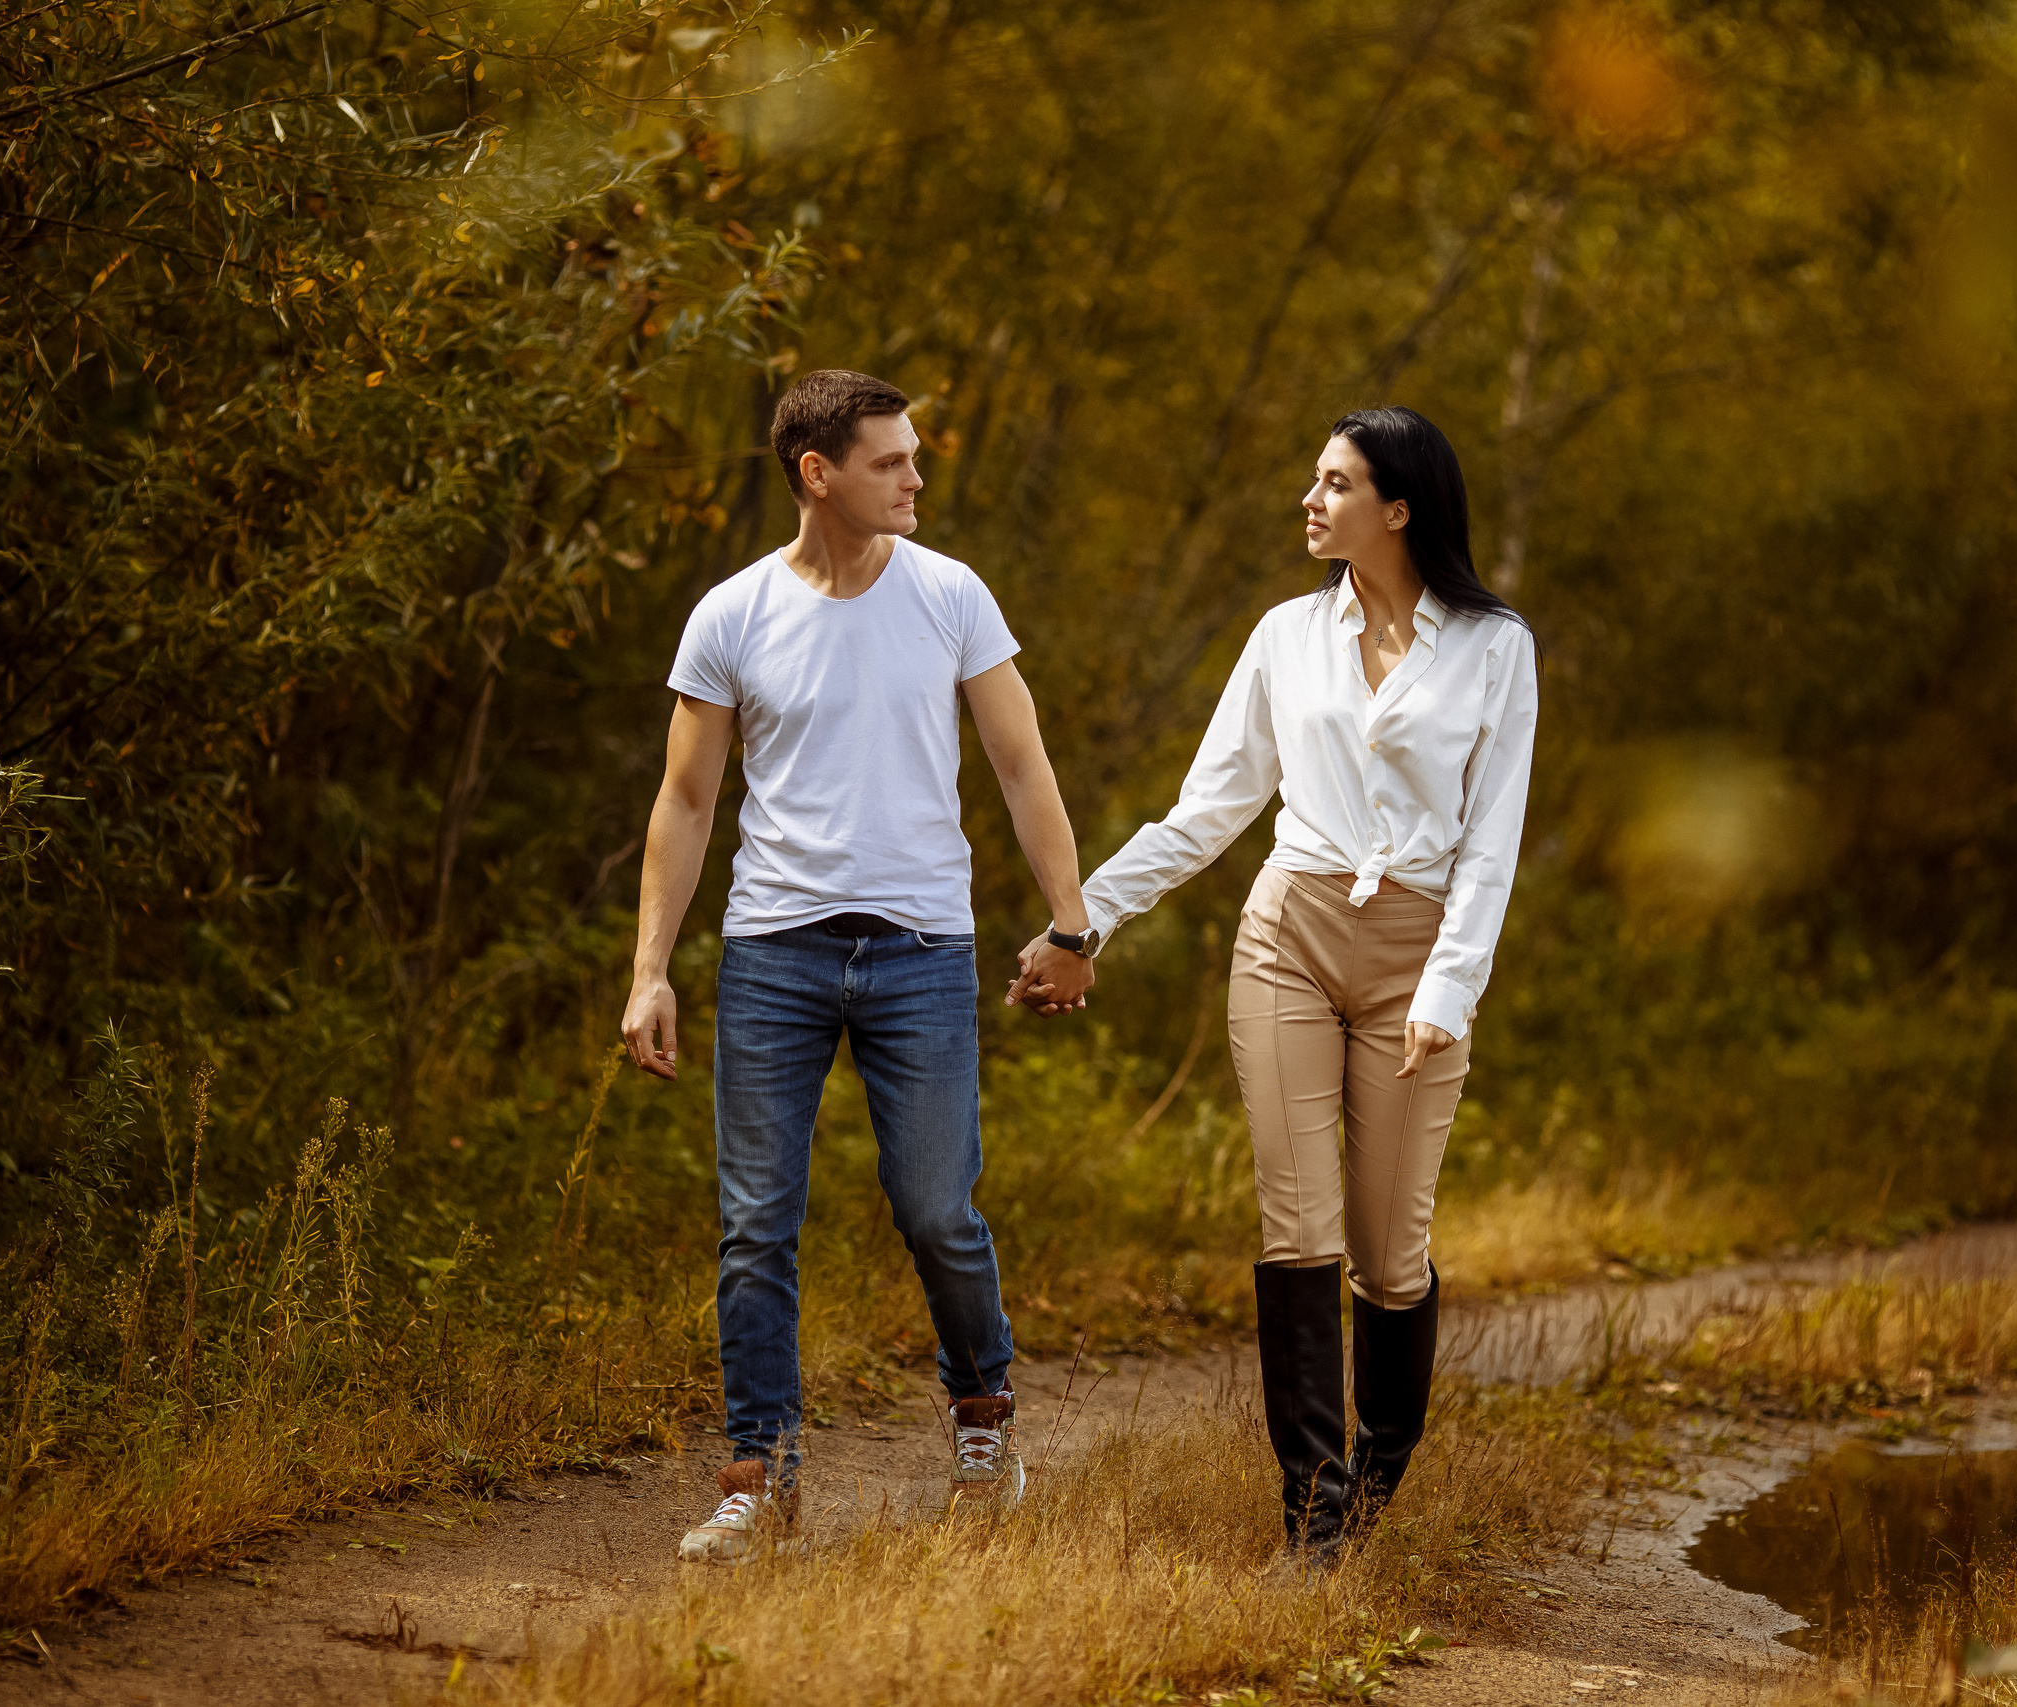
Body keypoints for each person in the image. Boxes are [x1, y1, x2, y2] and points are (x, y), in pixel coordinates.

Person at [1015, 406, 1538, 1564]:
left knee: (1386, 1253)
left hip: (1417, 956)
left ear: (1397, 508)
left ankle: (1380, 1472)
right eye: (1314, 478)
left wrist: (1446, 992)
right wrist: (1083, 922)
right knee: (1295, 1225)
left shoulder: (1495, 646)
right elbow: (1207, 811)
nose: (1310, 499)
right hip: (1288, 935)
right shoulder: (1283, 636)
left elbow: (1491, 842)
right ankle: (1313, 1514)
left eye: (1335, 483)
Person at [622, 368, 1099, 1563]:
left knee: (938, 1213)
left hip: (921, 951)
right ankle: (759, 1478)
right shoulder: (731, 615)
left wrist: (1072, 925)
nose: (915, 477)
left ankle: (982, 1420)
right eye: (891, 461)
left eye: (913, 455)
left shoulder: (950, 595)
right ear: (817, 473)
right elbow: (685, 801)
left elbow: (1022, 764)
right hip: (772, 952)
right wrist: (649, 970)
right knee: (754, 1228)